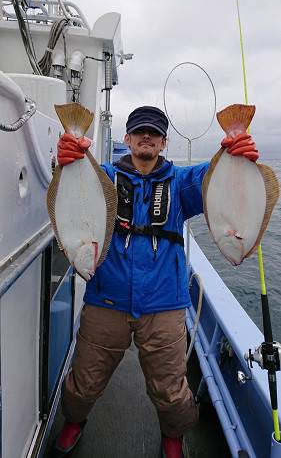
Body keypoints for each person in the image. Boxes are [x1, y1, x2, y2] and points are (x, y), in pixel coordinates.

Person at [54, 105, 259, 458]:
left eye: (153, 132)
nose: (146, 136)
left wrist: (233, 151)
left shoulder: (181, 183)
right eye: (139, 131)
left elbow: (214, 180)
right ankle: (75, 420)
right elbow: (67, 192)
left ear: (163, 142)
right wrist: (65, 160)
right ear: (128, 139)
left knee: (170, 388)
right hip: (106, 301)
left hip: (164, 304)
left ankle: (173, 435)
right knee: (85, 380)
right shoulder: (102, 177)